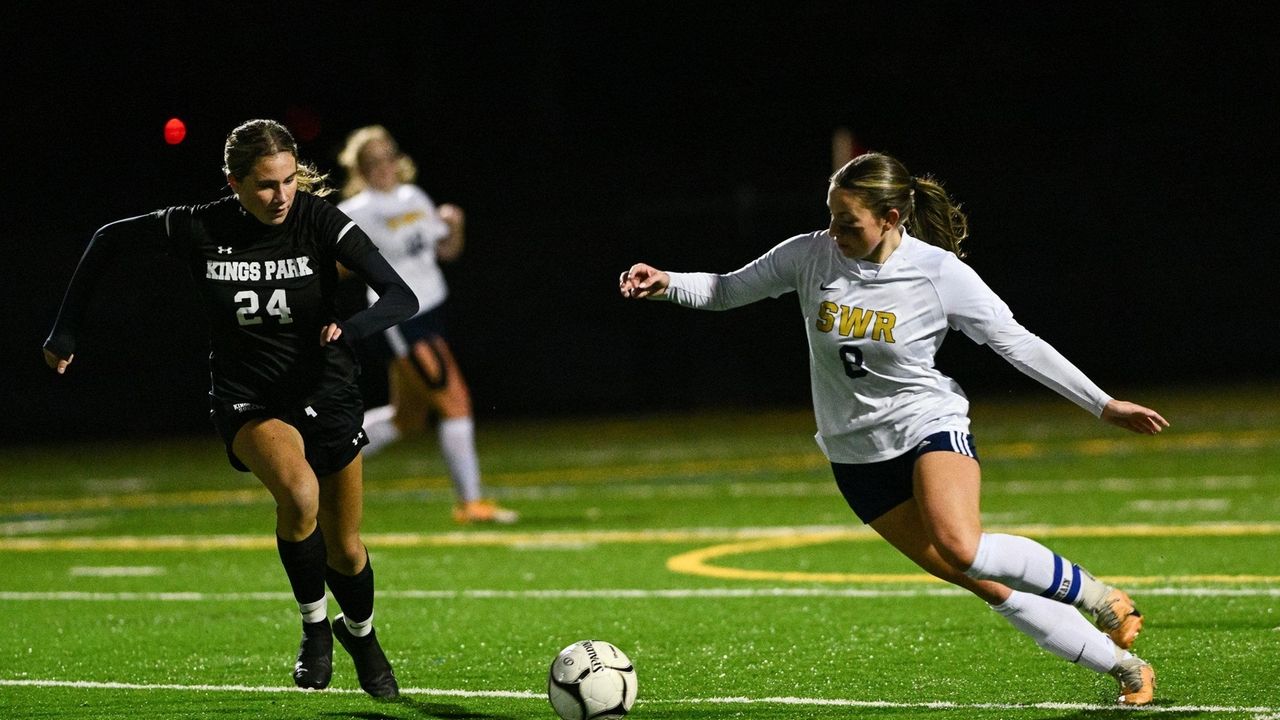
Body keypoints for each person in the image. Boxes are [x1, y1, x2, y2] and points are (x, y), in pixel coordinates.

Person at [618, 151, 1168, 705]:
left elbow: (1014, 340)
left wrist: (1102, 404)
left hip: (927, 426)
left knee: (963, 546)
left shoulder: (938, 273)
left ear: (891, 219)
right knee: (986, 583)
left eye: (849, 223)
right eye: (831, 217)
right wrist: (665, 281)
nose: (834, 232)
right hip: (854, 455)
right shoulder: (809, 254)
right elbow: (727, 289)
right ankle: (1126, 669)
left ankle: (1099, 596)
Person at [42, 119, 417, 699]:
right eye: (266, 184)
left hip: (328, 391)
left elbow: (401, 295)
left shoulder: (319, 220)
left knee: (345, 548)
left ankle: (361, 635)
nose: (282, 196)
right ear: (234, 182)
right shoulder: (199, 225)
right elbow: (107, 238)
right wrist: (66, 329)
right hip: (250, 394)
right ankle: (315, 628)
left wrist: (352, 328)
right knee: (298, 496)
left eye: (290, 180)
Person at [336, 125, 516, 525]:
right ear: (360, 168)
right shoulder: (356, 211)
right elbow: (333, 266)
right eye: (373, 160)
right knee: (456, 402)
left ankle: (326, 449)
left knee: (407, 418)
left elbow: (447, 250)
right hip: (405, 317)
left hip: (434, 308)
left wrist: (456, 224)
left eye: (387, 156)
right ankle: (470, 503)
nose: (383, 166)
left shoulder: (413, 196)